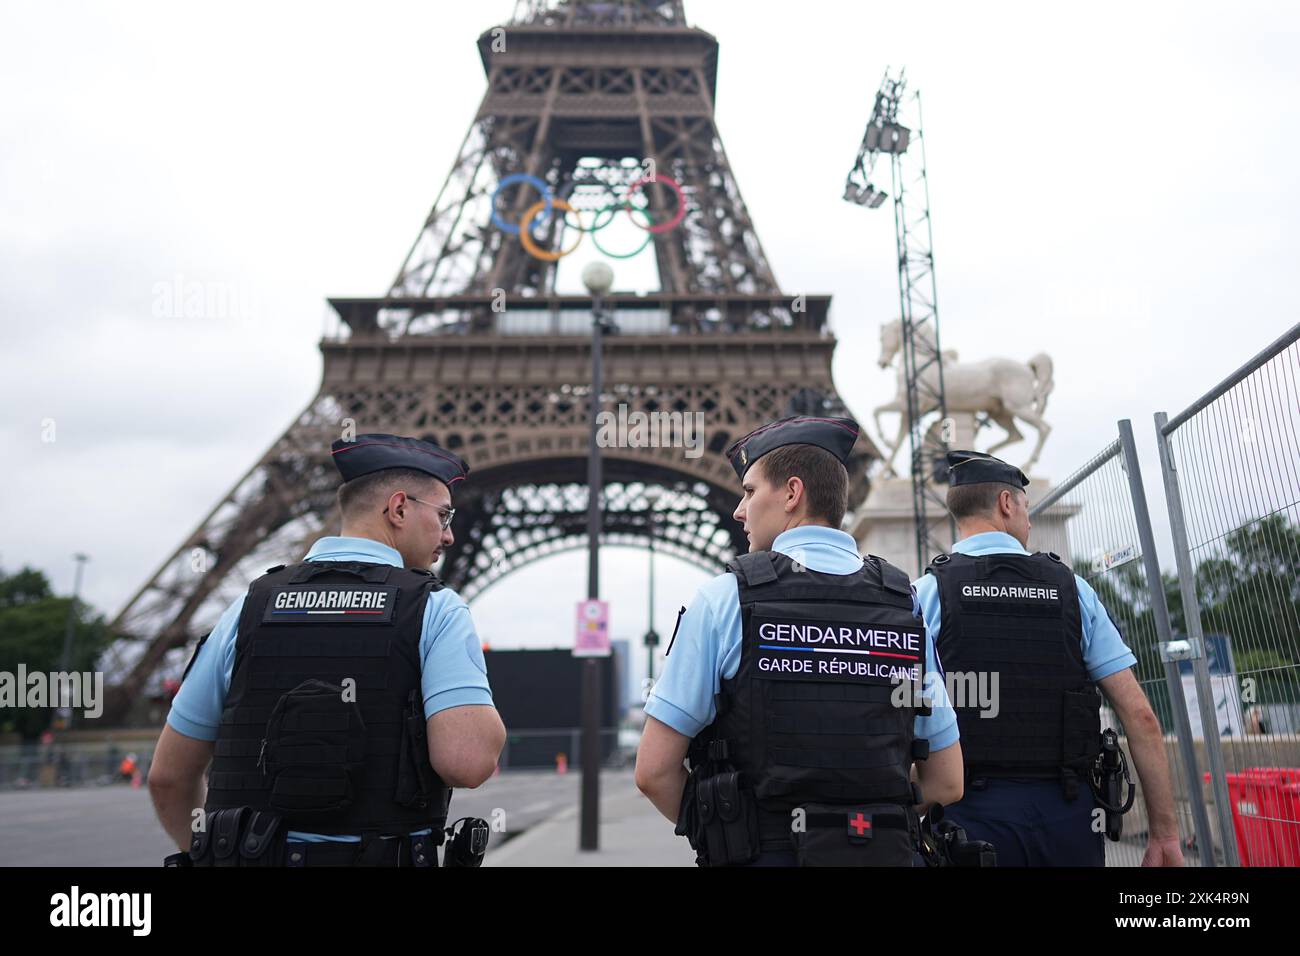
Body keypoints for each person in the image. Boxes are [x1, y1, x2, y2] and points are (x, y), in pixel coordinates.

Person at [148, 433, 506, 866]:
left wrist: (216, 852)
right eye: (444, 515)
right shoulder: (435, 608)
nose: (448, 536)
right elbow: (466, 762)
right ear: (399, 508)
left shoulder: (249, 607)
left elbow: (168, 778)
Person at [635, 416, 964, 866]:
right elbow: (947, 783)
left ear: (792, 493)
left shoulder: (723, 600)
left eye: (750, 492)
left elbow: (654, 772)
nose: (739, 509)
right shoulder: (904, 603)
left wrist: (725, 839)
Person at [913, 449, 1184, 867]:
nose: (1030, 520)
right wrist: (1165, 834)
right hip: (1068, 814)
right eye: (1026, 507)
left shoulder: (927, 593)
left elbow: (901, 708)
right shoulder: (1074, 590)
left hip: (966, 816)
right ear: (1006, 504)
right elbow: (1140, 717)